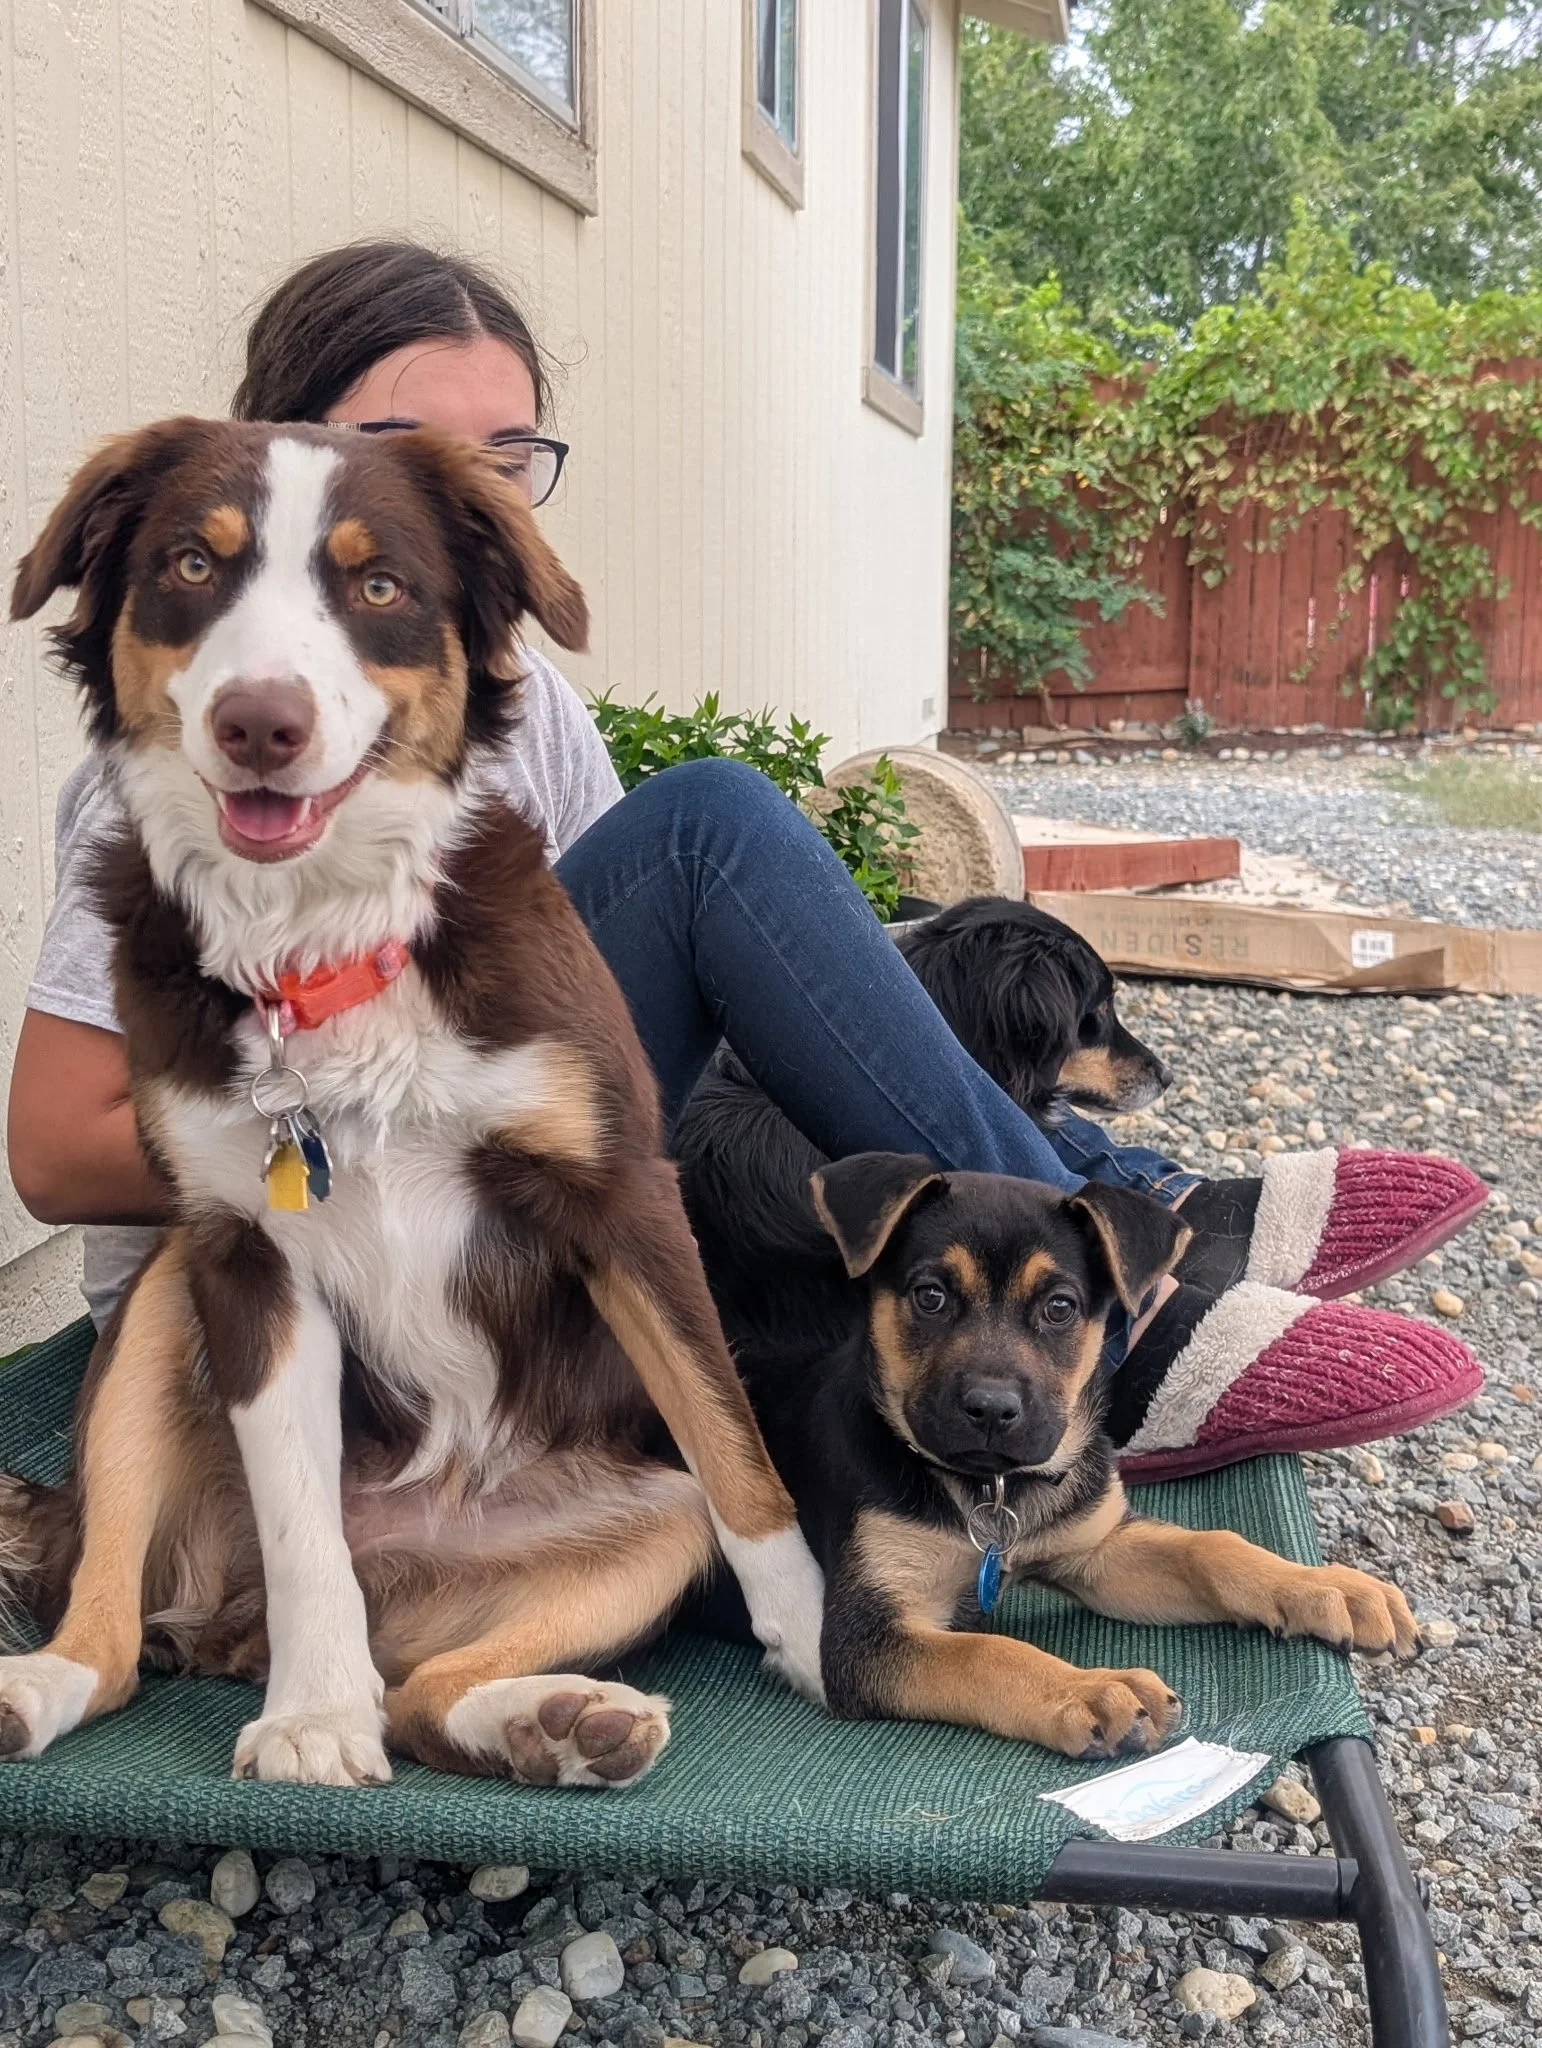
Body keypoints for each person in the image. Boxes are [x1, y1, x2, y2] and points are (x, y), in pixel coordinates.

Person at [7, 242, 1485, 1479]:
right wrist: (353, 1108)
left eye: (512, 459)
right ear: (289, 463)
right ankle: (1134, 1328)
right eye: (419, 453)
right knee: (711, 828)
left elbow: (617, 1013)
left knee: (773, 972)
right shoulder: (178, 769)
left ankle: (1116, 1197)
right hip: (279, 1320)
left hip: (485, 1225)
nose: (486, 499)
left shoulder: (511, 701)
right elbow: (59, 1148)